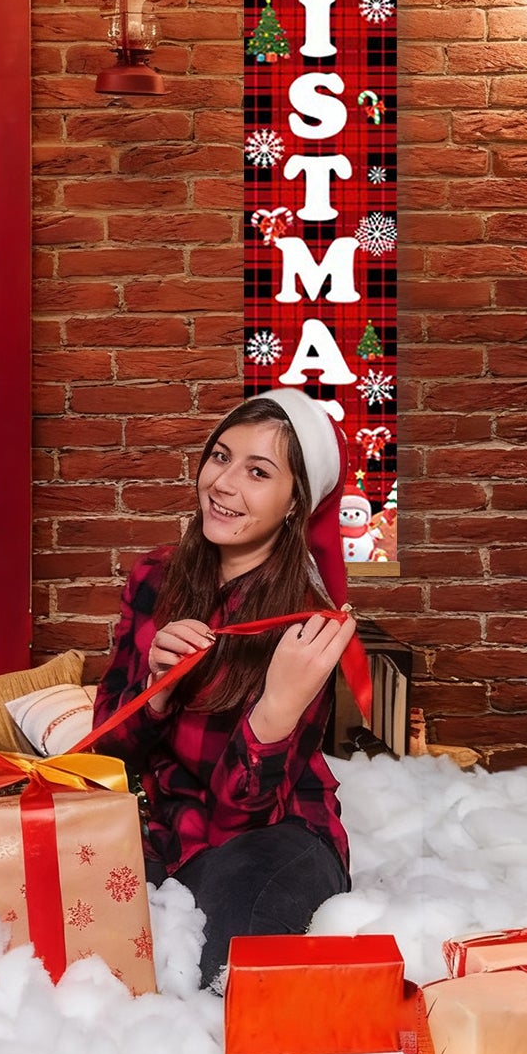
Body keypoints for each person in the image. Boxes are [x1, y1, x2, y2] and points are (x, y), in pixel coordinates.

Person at [90, 388, 359, 991]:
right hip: (161, 823)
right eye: (220, 457)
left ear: (296, 503)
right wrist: (156, 689)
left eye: (258, 472)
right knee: (94, 956)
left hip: (271, 830)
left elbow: (245, 810)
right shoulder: (155, 576)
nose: (223, 483)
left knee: (227, 971)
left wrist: (278, 709)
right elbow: (104, 752)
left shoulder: (309, 623)